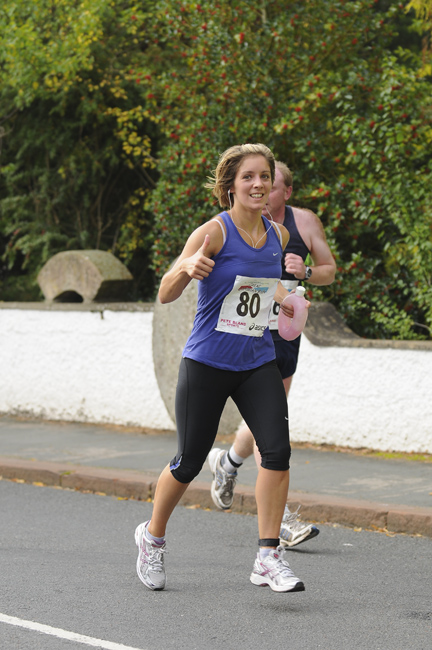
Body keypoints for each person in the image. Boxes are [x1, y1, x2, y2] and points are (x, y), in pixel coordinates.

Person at [135, 143, 309, 593]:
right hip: (207, 361)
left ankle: (268, 555)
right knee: (189, 461)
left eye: (264, 177)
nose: (258, 184)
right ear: (230, 185)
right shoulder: (212, 232)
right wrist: (187, 267)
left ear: (273, 184)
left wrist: (289, 300)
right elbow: (165, 292)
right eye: (248, 177)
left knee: (277, 450)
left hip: (256, 361)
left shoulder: (279, 236)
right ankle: (152, 537)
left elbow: (265, 288)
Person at [208, 161, 336, 547]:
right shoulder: (236, 224)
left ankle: (227, 463)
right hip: (246, 329)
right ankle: (279, 523)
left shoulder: (302, 224)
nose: (261, 190)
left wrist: (307, 271)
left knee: (271, 414)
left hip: (284, 330)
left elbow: (330, 269)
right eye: (254, 180)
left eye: (270, 184)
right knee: (272, 424)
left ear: (286, 192)